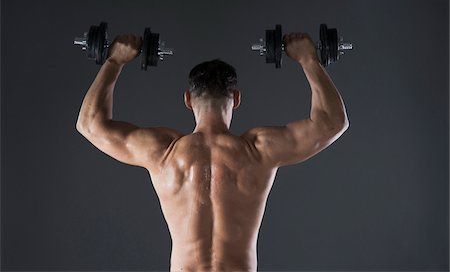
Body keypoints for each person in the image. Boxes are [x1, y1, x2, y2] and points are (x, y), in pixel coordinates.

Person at [76, 31, 349, 272]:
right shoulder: (259, 150)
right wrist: (308, 59)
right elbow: (332, 122)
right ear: (237, 99)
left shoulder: (164, 152)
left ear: (187, 99)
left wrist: (114, 61)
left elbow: (89, 125)